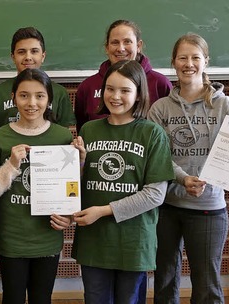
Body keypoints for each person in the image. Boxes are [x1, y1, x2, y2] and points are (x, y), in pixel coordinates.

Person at [149, 33, 229, 304]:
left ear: (206, 61)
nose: (189, 63)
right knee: (164, 280)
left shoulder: (227, 106)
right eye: (182, 57)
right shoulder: (160, 108)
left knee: (207, 284)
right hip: (166, 207)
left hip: (208, 209)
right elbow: (156, 156)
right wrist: (183, 179)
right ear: (173, 62)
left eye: (195, 57)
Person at [71, 60, 174, 304]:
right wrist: (81, 164)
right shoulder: (89, 129)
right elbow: (79, 184)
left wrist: (104, 211)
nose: (115, 96)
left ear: (139, 95)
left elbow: (155, 194)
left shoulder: (152, 133)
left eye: (125, 90)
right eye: (110, 88)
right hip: (94, 241)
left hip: (133, 241)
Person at [0, 68, 80, 304]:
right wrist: (11, 165)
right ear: (14, 97)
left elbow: (72, 188)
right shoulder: (0, 137)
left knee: (42, 298)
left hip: (46, 236)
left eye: (40, 96)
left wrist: (69, 216)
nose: (32, 103)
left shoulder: (62, 137)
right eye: (24, 95)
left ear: (49, 99)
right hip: (13, 236)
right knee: (13, 298)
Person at [0, 27, 75, 144]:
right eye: (21, 52)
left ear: (43, 56)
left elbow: (63, 139)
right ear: (13, 57)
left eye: (34, 51)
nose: (28, 57)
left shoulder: (59, 92)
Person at [75, 19, 172, 132]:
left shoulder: (160, 83)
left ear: (139, 45)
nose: (121, 48)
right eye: (115, 42)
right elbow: (82, 131)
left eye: (127, 42)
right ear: (107, 47)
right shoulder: (87, 86)